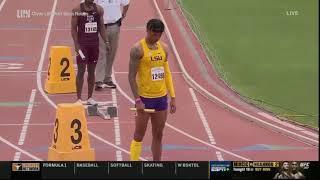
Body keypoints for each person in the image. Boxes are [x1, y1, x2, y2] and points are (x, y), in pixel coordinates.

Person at [128, 19, 176, 161]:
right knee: (139, 135)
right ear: (148, 30)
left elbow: (166, 73)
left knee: (158, 134)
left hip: (161, 98)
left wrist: (172, 97)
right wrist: (137, 100)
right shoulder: (137, 49)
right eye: (154, 34)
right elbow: (131, 77)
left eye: (159, 35)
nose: (156, 37)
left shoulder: (164, 48)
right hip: (144, 99)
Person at [71, 0, 110, 104]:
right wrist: (76, 44)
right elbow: (74, 29)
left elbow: (101, 27)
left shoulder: (99, 10)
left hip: (94, 45)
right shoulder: (77, 10)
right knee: (81, 70)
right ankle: (79, 98)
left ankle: (90, 98)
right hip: (82, 45)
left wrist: (106, 41)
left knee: (92, 72)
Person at [95, 0, 130, 90]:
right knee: (101, 53)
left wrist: (123, 14)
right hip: (101, 26)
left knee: (111, 53)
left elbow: (126, 3)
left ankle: (107, 78)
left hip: (115, 26)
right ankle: (99, 80)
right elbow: (85, 4)